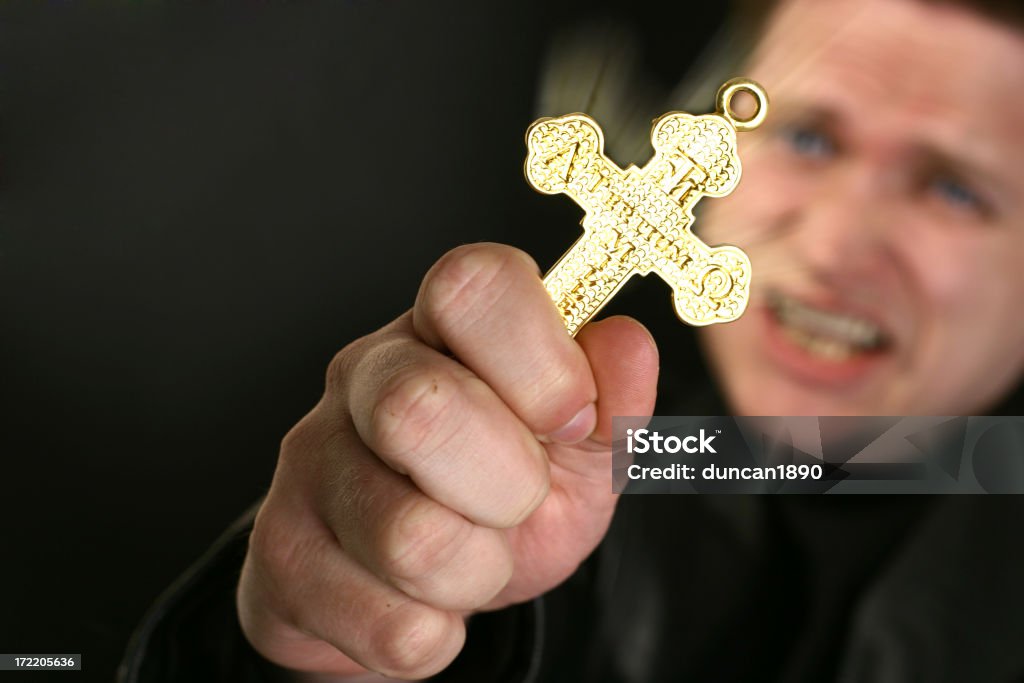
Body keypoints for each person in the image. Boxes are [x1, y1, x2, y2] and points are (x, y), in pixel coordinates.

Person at [120, 0, 1024, 680]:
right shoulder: (586, 481)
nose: (829, 244)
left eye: (954, 190)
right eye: (807, 137)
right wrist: (298, 653)